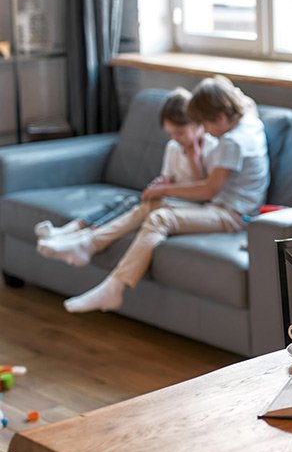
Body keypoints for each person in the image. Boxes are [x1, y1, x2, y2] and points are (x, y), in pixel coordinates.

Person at [48, 75, 269, 313]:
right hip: (223, 207)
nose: (205, 131)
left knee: (160, 217)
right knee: (152, 204)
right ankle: (88, 244)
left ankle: (114, 287)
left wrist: (164, 188)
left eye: (206, 124)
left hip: (234, 215)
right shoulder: (248, 116)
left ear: (222, 117)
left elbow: (209, 189)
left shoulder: (233, 142)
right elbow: (233, 92)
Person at [34, 88, 216, 242]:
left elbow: (205, 192)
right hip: (170, 197)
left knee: (132, 202)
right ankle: (71, 229)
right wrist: (161, 183)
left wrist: (194, 159)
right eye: (171, 134)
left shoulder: (210, 148)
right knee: (121, 201)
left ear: (198, 124)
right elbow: (168, 176)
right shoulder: (173, 147)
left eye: (180, 133)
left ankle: (88, 234)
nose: (175, 138)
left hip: (189, 206)